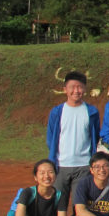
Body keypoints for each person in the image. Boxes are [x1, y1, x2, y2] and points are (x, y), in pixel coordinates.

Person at [46, 70, 101, 200]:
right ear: (65, 89)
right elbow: (50, 138)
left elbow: (95, 136)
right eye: (72, 87)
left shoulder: (92, 112)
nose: (76, 91)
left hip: (84, 166)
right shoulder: (57, 112)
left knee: (80, 205)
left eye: (80, 87)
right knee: (58, 204)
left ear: (85, 89)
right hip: (61, 165)